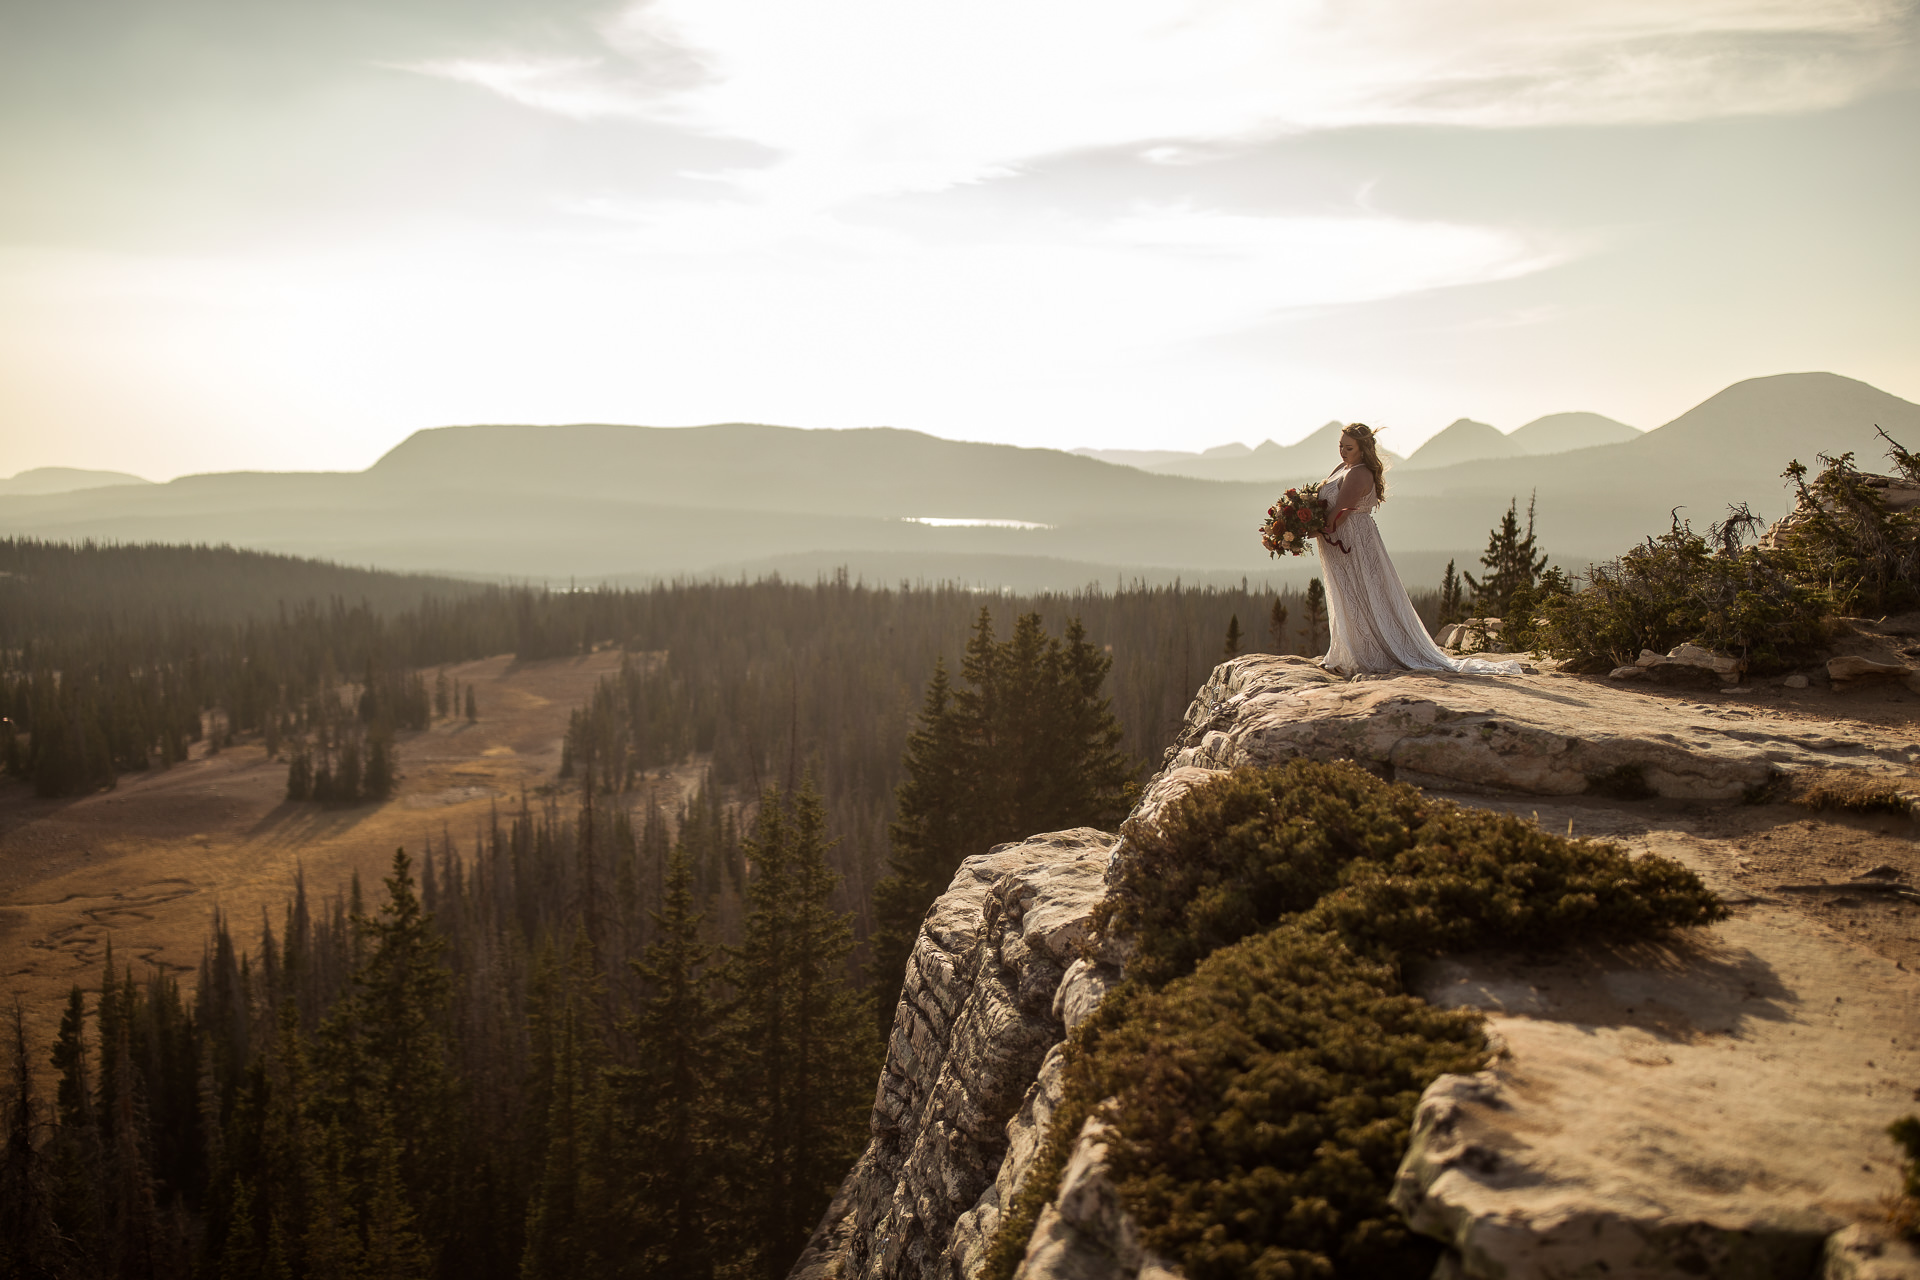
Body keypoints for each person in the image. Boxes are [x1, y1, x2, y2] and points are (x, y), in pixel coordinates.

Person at [1315, 423, 1521, 676]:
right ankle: (1351, 648)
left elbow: (1340, 514)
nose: (1343, 452)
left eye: (1349, 448)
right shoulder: (1343, 468)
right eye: (1340, 446)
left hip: (1353, 540)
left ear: (1363, 449)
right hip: (1338, 539)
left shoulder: (1358, 473)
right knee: (1347, 593)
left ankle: (1373, 651)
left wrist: (1309, 532)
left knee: (1363, 592)